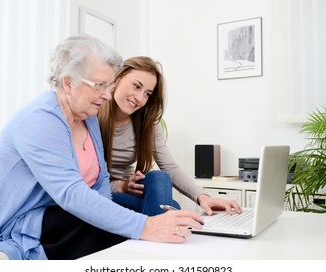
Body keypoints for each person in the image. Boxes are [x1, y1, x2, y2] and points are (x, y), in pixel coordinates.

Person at [0, 35, 203, 260]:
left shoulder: (87, 116)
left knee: (124, 215)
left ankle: (153, 252)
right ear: (68, 83)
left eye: (108, 85)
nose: (107, 95)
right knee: (115, 224)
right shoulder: (40, 119)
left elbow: (100, 183)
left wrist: (133, 221)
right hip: (16, 221)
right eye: (99, 85)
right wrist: (146, 226)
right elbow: (71, 194)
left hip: (55, 212)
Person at [98, 56, 242, 216]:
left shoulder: (147, 122)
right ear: (117, 77)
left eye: (147, 94)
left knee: (160, 178)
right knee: (172, 206)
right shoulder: (92, 113)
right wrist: (120, 186)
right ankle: (159, 232)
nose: (139, 98)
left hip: (129, 191)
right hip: (101, 192)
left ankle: (155, 232)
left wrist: (202, 197)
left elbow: (170, 167)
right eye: (136, 86)